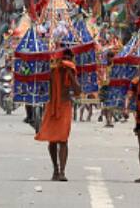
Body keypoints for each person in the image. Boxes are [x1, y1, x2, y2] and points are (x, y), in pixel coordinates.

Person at [35, 48, 81, 181]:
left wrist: (70, 74)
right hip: (51, 106)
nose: (66, 60)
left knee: (63, 139)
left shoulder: (71, 72)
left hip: (65, 106)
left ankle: (62, 171)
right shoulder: (52, 71)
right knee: (52, 141)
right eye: (64, 57)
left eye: (69, 58)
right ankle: (55, 168)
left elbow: (77, 91)